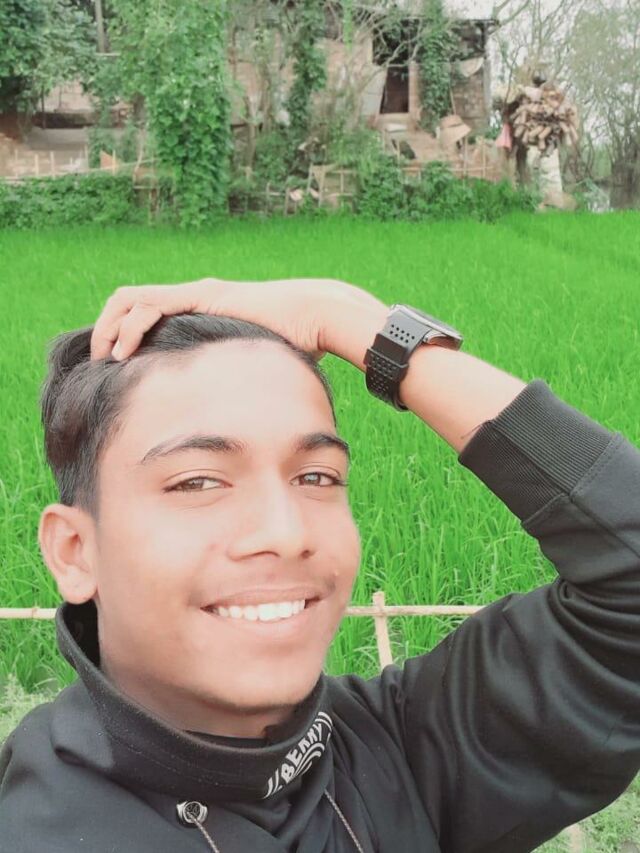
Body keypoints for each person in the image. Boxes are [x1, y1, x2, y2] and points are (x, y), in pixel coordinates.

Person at [0, 276, 638, 852]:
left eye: (315, 476)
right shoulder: (38, 829)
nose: (286, 533)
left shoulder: (401, 750)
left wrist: (348, 320)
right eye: (198, 482)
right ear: (74, 552)